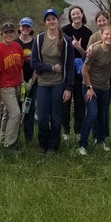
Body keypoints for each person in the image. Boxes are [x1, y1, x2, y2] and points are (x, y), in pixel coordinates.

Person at [30, 8, 74, 154]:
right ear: (45, 22)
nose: (51, 21)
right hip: (42, 83)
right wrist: (52, 68)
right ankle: (43, 144)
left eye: (53, 18)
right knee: (42, 117)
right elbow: (34, 63)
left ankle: (53, 145)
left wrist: (68, 88)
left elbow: (69, 65)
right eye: (48, 19)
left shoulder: (66, 41)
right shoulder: (39, 39)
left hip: (58, 84)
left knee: (55, 116)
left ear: (57, 20)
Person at [78, 24, 111, 154]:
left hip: (104, 87)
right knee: (92, 113)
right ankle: (82, 144)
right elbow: (84, 70)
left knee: (102, 114)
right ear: (101, 36)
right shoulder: (94, 50)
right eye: (106, 34)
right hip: (90, 86)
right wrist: (89, 87)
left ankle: (100, 140)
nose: (109, 37)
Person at [62, 5, 93, 143]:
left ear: (82, 15)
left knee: (80, 102)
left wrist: (79, 48)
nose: (76, 16)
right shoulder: (64, 31)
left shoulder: (88, 33)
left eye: (78, 13)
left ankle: (78, 130)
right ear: (70, 16)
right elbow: (61, 51)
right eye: (73, 14)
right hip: (67, 70)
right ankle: (66, 130)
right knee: (65, 101)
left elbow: (88, 56)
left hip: (81, 71)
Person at [0, 21, 24, 150]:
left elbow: (20, 67)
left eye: (11, 32)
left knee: (8, 113)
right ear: (1, 34)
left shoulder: (17, 47)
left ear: (15, 33)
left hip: (16, 85)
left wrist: (22, 83)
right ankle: (9, 144)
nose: (9, 35)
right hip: (5, 87)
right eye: (6, 32)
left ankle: (3, 137)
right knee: (16, 113)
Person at [15, 17, 38, 144]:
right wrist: (21, 81)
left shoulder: (35, 43)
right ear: (19, 28)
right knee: (17, 110)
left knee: (29, 109)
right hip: (17, 82)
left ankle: (28, 138)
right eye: (23, 26)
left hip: (32, 82)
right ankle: (15, 136)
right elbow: (14, 65)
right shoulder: (14, 43)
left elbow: (38, 64)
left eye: (28, 27)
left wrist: (31, 82)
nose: (25, 29)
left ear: (31, 28)